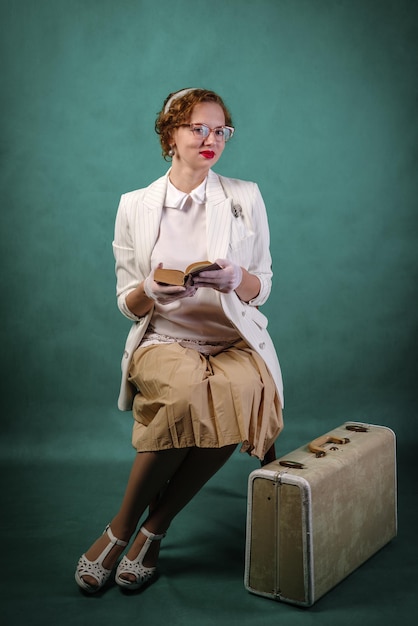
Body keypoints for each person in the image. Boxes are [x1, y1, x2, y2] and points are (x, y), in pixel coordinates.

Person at [75, 88, 284, 594]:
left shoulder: (245, 196)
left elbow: (264, 285)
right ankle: (119, 529)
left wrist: (238, 279)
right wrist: (149, 287)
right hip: (164, 338)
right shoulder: (135, 205)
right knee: (187, 394)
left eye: (221, 131)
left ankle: (154, 528)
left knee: (246, 391)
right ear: (170, 135)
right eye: (198, 128)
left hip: (232, 339)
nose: (211, 139)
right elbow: (127, 303)